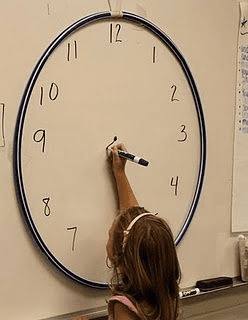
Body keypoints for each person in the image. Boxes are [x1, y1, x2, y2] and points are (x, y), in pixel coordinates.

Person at [106, 143, 181, 320]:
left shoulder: (124, 306)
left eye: (110, 234)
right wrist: (120, 174)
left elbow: (132, 225)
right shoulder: (166, 296)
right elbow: (134, 224)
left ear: (120, 251)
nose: (108, 235)